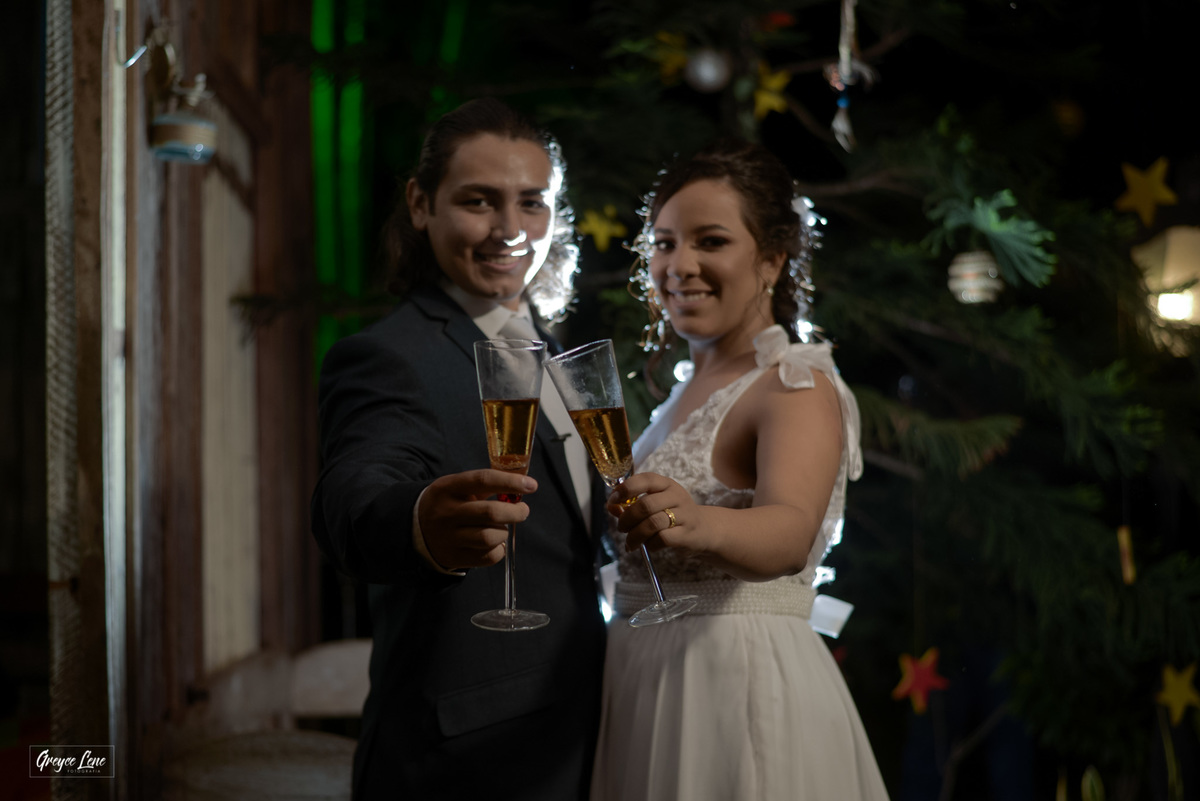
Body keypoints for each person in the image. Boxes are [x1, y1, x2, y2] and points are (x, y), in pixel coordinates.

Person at [311, 97, 607, 800]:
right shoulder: (388, 356)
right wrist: (420, 524)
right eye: (479, 201)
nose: (511, 230)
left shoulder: (564, 355)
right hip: (466, 763)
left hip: (584, 736)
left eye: (532, 203)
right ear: (420, 204)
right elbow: (353, 497)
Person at [589, 140, 890, 800]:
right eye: (664, 243)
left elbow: (789, 533)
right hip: (645, 680)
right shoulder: (683, 389)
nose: (679, 265)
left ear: (773, 259)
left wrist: (697, 521)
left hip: (731, 683)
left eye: (710, 240)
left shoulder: (794, 383)